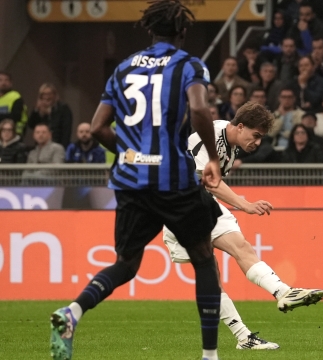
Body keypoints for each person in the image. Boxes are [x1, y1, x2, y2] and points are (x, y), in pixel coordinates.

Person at [50, 2, 226, 360]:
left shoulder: (122, 68)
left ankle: (74, 311)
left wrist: (130, 151)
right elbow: (198, 109)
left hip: (131, 181)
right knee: (204, 257)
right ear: (182, 31)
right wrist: (211, 157)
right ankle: (210, 356)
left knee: (126, 264)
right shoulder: (189, 65)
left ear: (150, 30)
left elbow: (98, 126)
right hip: (173, 180)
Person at [162, 103, 323, 312]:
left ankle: (283, 293)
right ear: (240, 126)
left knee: (241, 248)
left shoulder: (231, 146)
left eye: (261, 138)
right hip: (178, 205)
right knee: (211, 273)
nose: (257, 142)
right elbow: (209, 180)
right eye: (255, 135)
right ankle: (243, 336)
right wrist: (245, 205)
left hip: (200, 203)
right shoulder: (211, 134)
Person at [0, 71, 28, 137]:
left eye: (6, 80)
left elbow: (16, 116)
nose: (3, 83)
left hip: (15, 133)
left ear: (11, 83)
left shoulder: (15, 96)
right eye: (0, 80)